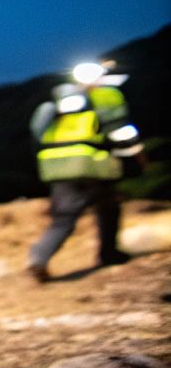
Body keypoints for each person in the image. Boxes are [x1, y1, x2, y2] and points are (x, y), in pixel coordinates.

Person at [27, 61, 145, 282]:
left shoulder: (56, 104)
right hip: (93, 164)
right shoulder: (105, 97)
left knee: (63, 219)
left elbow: (37, 134)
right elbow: (121, 131)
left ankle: (38, 257)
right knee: (108, 207)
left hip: (56, 165)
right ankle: (109, 253)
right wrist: (135, 156)